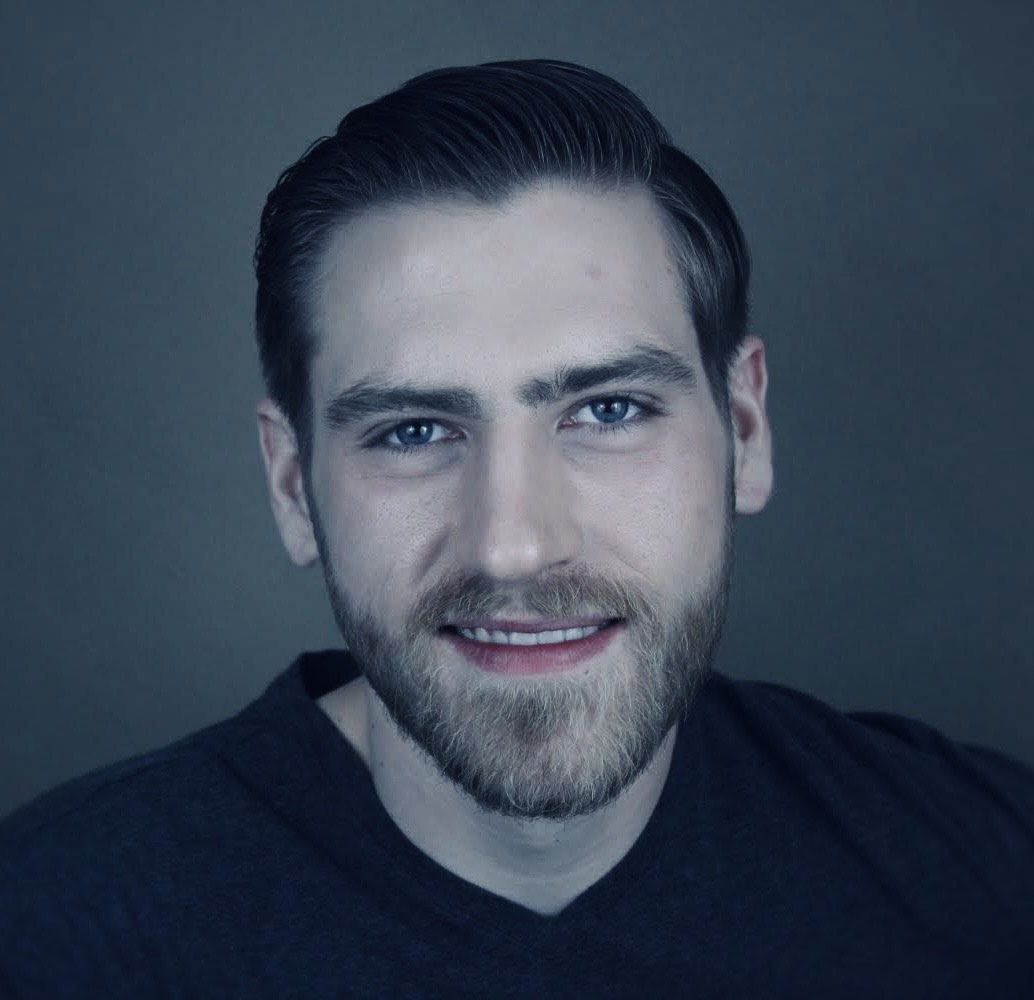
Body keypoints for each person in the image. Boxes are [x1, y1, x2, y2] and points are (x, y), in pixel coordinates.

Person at [1, 59, 1032, 998]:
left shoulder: (984, 878)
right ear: (290, 485)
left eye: (608, 411)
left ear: (745, 428)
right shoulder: (49, 933)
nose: (513, 545)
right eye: (412, 430)